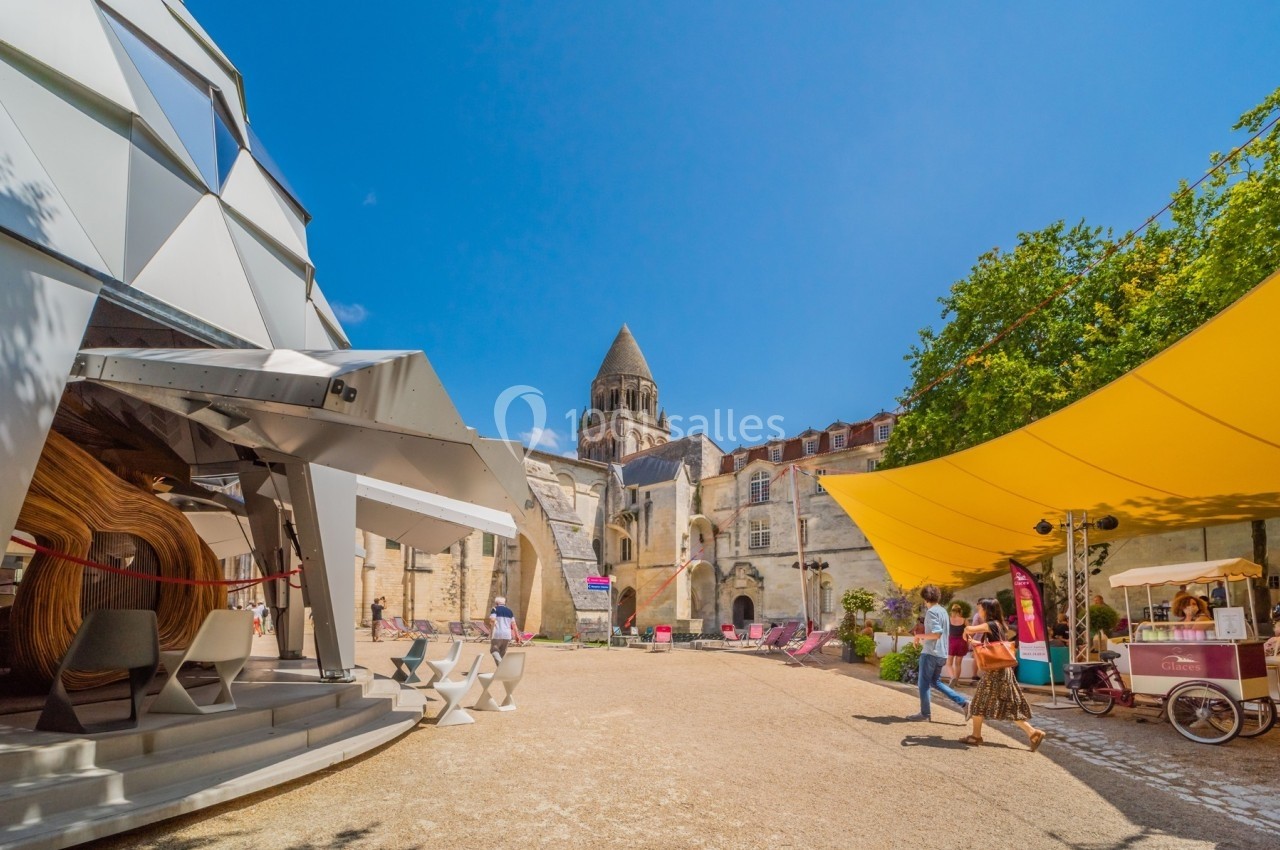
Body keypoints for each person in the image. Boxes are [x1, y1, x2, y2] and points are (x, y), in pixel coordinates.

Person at [961, 598, 1046, 752]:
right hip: (1003, 670)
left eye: (980, 608)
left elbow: (969, 629)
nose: (978, 612)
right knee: (1008, 706)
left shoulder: (991, 624)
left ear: (987, 610)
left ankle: (976, 736)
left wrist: (966, 630)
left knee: (979, 702)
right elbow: (993, 647)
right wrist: (975, 643)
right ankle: (1033, 733)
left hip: (996, 672)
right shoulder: (999, 625)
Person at [905, 585, 968, 722]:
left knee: (923, 684)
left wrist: (918, 636)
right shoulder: (943, 611)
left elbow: (937, 634)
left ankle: (925, 713)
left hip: (931, 653)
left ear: (925, 599)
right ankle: (964, 703)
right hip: (942, 653)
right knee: (935, 682)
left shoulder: (931, 612)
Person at [945, 604, 968, 685]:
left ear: (952, 611)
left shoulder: (949, 619)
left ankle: (952, 678)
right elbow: (970, 631)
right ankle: (956, 682)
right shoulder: (964, 620)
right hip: (962, 642)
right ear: (960, 611)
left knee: (949, 663)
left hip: (951, 642)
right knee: (958, 664)